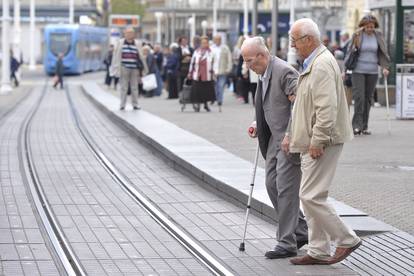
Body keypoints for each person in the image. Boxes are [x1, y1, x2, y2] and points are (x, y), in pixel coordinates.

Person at [288, 18, 361, 265]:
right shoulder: (314, 62)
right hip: (312, 140)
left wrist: (317, 140)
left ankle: (347, 238)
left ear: (308, 40)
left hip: (321, 142)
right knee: (309, 196)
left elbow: (326, 109)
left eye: (294, 40)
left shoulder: (320, 65)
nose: (292, 45)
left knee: (311, 196)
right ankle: (318, 249)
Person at [242, 37, 308, 259]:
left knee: (286, 188)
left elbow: (299, 103)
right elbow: (265, 104)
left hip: (288, 139)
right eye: (245, 61)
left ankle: (287, 241)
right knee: (271, 184)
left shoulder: (284, 71)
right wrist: (256, 123)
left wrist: (291, 133)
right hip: (273, 139)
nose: (247, 65)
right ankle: (300, 229)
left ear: (262, 55)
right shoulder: (262, 72)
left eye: (249, 60)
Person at [345, 14, 390, 135]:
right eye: (368, 27)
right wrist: (345, 69)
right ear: (363, 26)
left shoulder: (378, 35)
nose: (370, 29)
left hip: (373, 71)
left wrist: (385, 67)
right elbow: (349, 52)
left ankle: (364, 126)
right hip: (358, 70)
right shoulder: (358, 35)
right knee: (359, 98)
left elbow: (383, 52)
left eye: (372, 27)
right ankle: (356, 126)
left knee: (368, 99)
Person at [110, 27, 143, 110]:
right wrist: (115, 67)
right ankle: (122, 104)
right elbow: (116, 55)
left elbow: (140, 56)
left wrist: (141, 68)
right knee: (123, 87)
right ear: (125, 34)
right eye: (128, 33)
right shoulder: (120, 43)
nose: (130, 35)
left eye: (131, 33)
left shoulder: (137, 43)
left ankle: (135, 104)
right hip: (124, 67)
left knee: (134, 87)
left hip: (134, 68)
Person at [187, 36, 216, 112]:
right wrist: (190, 72)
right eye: (203, 43)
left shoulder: (211, 52)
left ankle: (206, 105)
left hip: (207, 74)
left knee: (206, 90)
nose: (204, 44)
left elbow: (214, 63)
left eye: (206, 43)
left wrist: (215, 72)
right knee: (197, 90)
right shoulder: (196, 51)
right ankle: (197, 105)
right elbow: (192, 63)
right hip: (197, 74)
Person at [212, 35, 233, 111]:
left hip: (222, 70)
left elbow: (229, 59)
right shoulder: (212, 48)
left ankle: (219, 101)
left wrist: (229, 68)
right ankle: (216, 98)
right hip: (213, 71)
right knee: (215, 87)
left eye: (218, 39)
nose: (217, 41)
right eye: (216, 39)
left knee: (220, 86)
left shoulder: (225, 48)